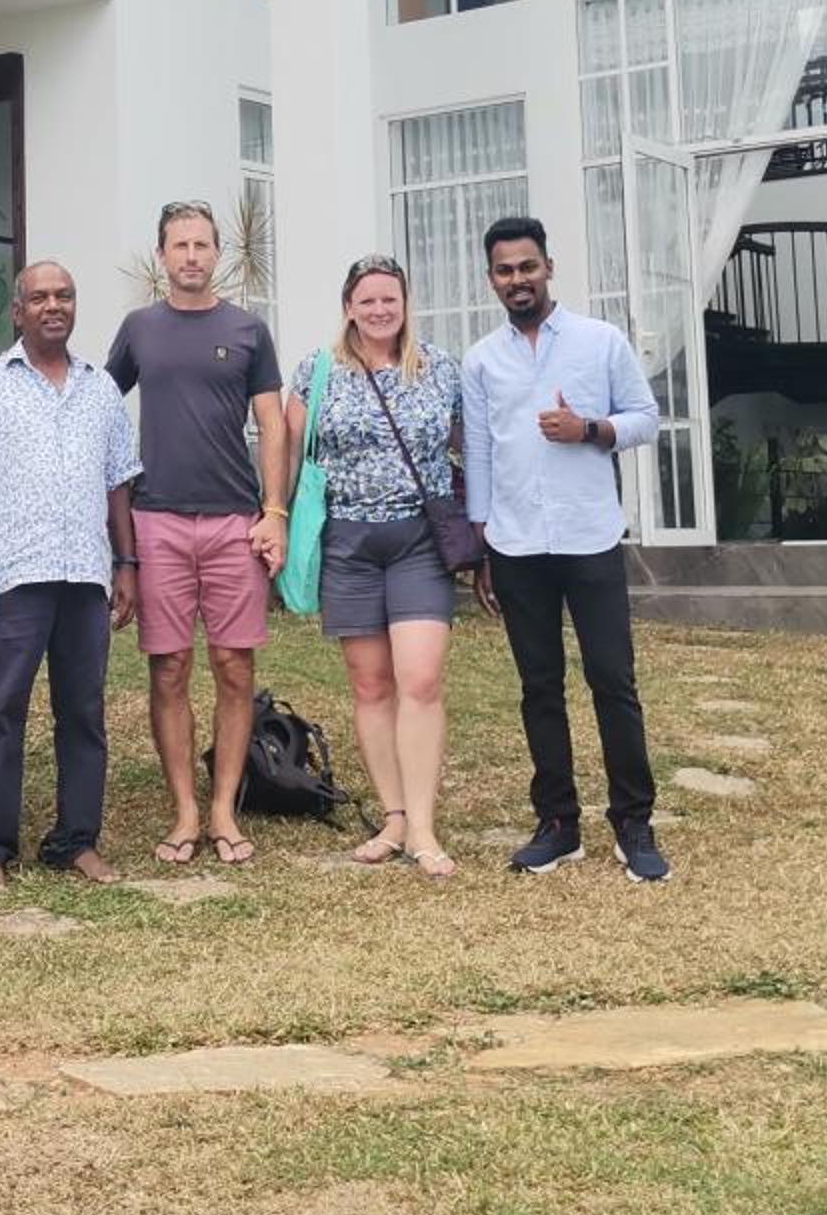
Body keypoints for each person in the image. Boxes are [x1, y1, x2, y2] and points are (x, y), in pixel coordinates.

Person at [462, 214, 667, 881]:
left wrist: (590, 429)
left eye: (527, 266)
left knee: (612, 679)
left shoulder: (599, 342)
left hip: (589, 536)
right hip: (516, 544)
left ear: (548, 268)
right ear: (491, 279)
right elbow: (480, 453)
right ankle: (557, 823)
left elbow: (646, 419)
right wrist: (481, 545)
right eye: (504, 270)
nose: (517, 280)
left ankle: (633, 822)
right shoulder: (481, 360)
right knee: (539, 686)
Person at [106, 202, 286, 868]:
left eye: (202, 245)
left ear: (217, 254)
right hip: (157, 520)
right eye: (179, 245)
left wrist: (274, 510)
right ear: (162, 255)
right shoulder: (139, 329)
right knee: (170, 667)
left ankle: (223, 810)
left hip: (235, 520)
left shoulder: (247, 329)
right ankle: (185, 810)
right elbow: (98, 408)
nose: (190, 256)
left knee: (234, 666)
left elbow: (273, 424)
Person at [0, 259, 141, 888]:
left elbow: (118, 484)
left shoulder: (101, 389)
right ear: (17, 311)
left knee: (83, 713)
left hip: (85, 575)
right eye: (39, 298)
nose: (53, 306)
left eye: (64, 295)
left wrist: (127, 564)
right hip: (10, 575)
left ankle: (75, 841)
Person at [281, 254, 464, 878]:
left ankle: (424, 827)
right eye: (368, 300)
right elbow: (291, 451)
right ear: (348, 307)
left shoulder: (439, 368)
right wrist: (275, 515)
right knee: (370, 685)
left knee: (421, 679)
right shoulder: (318, 371)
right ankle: (394, 818)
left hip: (418, 539)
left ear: (406, 304)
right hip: (348, 543)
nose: (380, 310)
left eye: (390, 299)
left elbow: (469, 443)